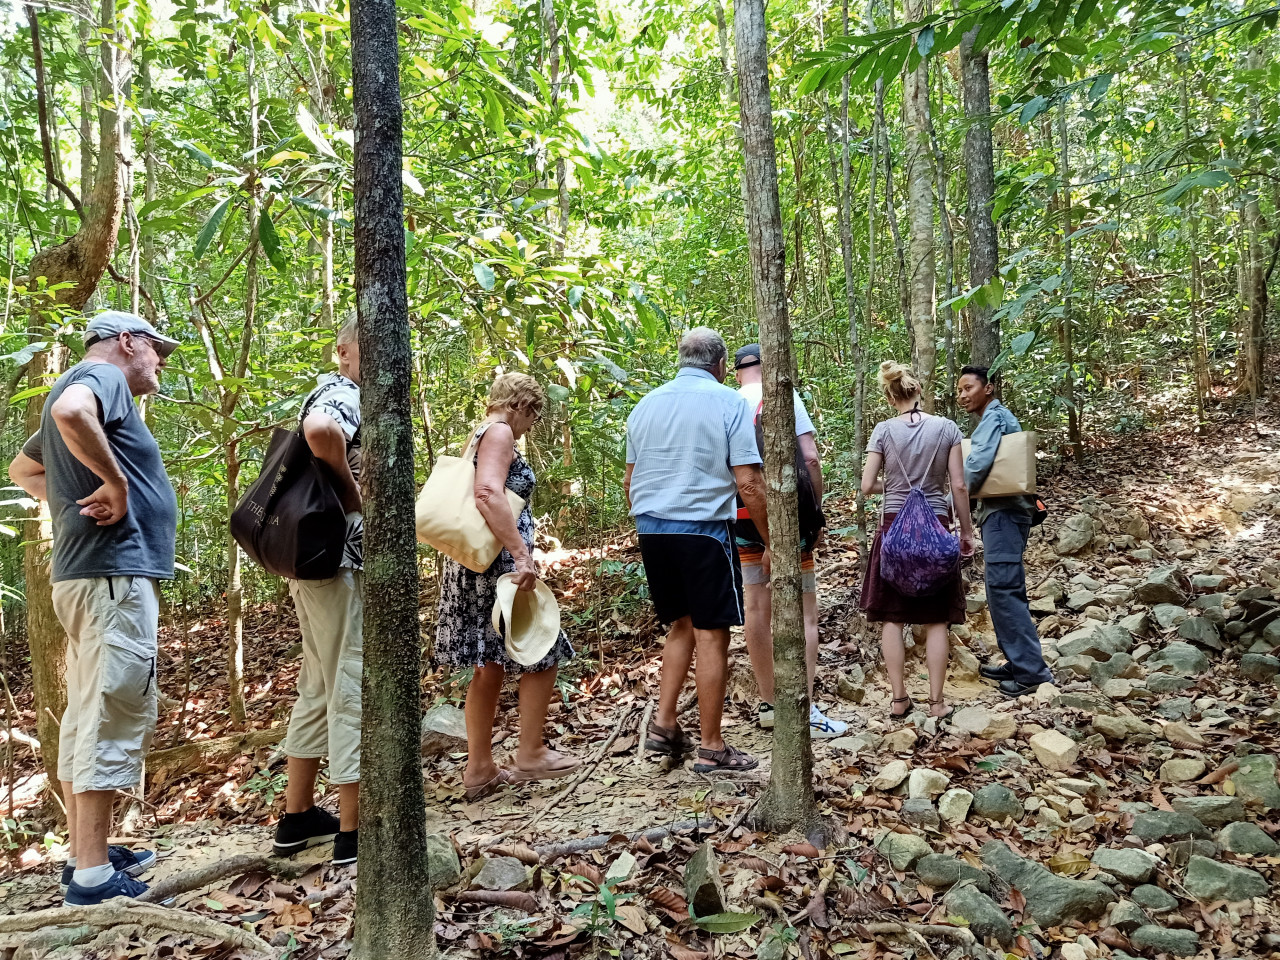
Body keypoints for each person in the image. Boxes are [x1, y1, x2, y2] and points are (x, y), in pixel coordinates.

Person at [8, 311, 179, 905]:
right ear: (126, 342)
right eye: (156, 350)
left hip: (89, 577)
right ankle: (92, 877)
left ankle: (87, 854)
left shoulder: (81, 384)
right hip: (111, 576)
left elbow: (23, 469)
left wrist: (74, 503)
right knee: (110, 710)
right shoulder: (101, 378)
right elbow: (70, 412)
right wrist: (117, 485)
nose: (160, 363)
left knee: (86, 712)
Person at [624, 327, 769, 773]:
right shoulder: (729, 402)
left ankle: (664, 725)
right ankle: (711, 746)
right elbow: (748, 481)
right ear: (721, 365)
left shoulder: (646, 405)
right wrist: (771, 540)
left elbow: (630, 480)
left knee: (681, 625)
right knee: (712, 632)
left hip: (652, 529)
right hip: (703, 530)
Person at [435, 373, 580, 799]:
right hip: (497, 568)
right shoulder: (499, 432)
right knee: (543, 648)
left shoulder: (481, 432)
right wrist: (521, 554)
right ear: (520, 405)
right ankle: (530, 752)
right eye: (534, 413)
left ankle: (480, 768)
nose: (532, 424)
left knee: (489, 664)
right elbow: (486, 493)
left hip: (475, 565)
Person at [271, 315, 365, 866]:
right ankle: (352, 830)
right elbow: (322, 430)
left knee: (319, 681)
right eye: (364, 348)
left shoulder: (327, 389)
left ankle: (298, 815)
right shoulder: (342, 393)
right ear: (344, 351)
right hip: (337, 561)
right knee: (349, 674)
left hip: (310, 563)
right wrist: (352, 497)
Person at [731, 343, 846, 738]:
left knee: (756, 606)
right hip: (785, 519)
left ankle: (769, 704)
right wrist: (816, 514)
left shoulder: (729, 401)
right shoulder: (783, 394)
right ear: (769, 366)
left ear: (736, 372)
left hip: (742, 516)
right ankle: (804, 709)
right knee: (805, 610)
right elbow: (809, 457)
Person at [859, 361, 975, 721]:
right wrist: (967, 532)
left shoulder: (883, 430)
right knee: (937, 619)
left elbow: (867, 485)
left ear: (889, 396)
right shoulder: (947, 428)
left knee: (892, 618)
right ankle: (937, 703)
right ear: (918, 390)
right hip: (936, 525)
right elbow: (958, 485)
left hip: (893, 527)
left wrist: (895, 487)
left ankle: (898, 700)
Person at [957, 365, 1055, 698]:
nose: (963, 395)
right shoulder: (992, 418)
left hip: (1004, 515)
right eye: (959, 390)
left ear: (989, 388)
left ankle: (1031, 674)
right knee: (1001, 589)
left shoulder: (994, 418)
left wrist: (954, 501)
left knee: (1004, 589)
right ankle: (1018, 662)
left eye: (969, 388)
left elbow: (976, 464)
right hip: (1003, 514)